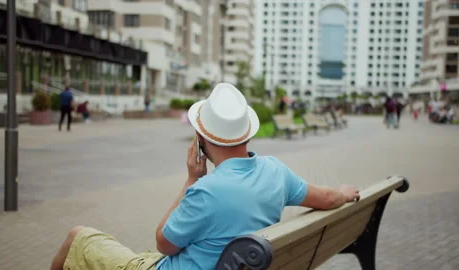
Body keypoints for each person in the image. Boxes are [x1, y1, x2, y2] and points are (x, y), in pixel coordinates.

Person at [50, 83, 360, 270]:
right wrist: (345, 193)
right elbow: (327, 198)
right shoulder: (276, 171)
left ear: (201, 139)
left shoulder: (205, 191)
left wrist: (191, 180)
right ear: (246, 135)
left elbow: (163, 244)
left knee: (78, 236)